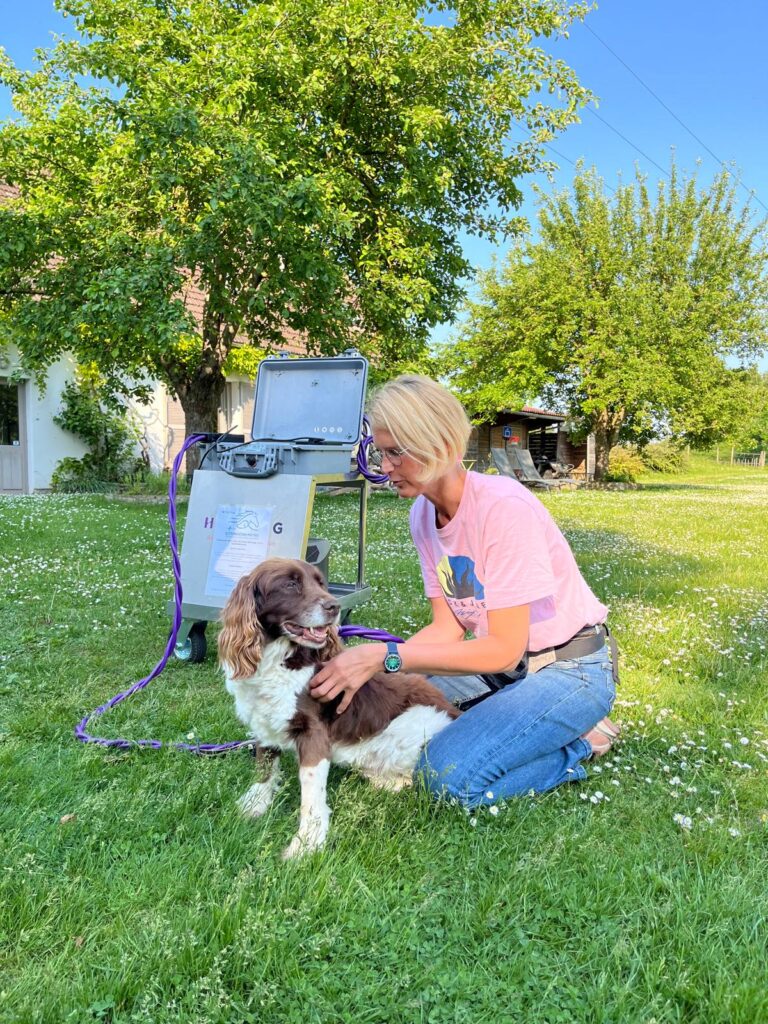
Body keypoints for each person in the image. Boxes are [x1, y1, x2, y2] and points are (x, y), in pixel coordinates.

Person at [310, 375, 619, 807]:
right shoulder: (423, 515)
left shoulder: (503, 508)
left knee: (445, 777)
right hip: (506, 670)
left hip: (569, 669)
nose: (385, 468)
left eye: (396, 452)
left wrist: (385, 656)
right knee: (388, 712)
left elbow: (504, 649)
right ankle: (513, 723)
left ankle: (582, 742)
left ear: (437, 445)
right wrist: (371, 676)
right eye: (381, 453)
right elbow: (449, 627)